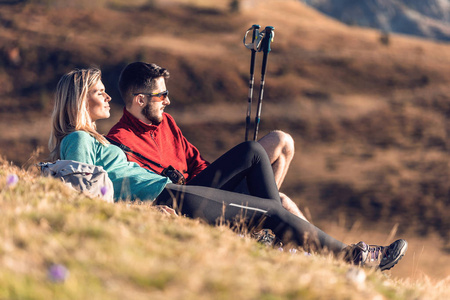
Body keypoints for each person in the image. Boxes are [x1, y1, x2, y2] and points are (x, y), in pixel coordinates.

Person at [48, 67, 408, 271]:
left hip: (175, 194)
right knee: (271, 210)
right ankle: (355, 256)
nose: (108, 96)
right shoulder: (78, 140)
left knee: (268, 201)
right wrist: (141, 213)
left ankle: (335, 253)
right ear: (80, 99)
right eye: (99, 91)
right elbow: (86, 192)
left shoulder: (93, 139)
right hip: (167, 198)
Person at [106, 62, 307, 220]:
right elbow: (134, 191)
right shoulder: (119, 141)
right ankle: (267, 221)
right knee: (259, 165)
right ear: (140, 100)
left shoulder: (166, 122)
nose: (168, 101)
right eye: (162, 95)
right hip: (183, 202)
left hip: (208, 193)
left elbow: (197, 163)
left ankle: (267, 223)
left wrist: (236, 182)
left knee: (281, 144)